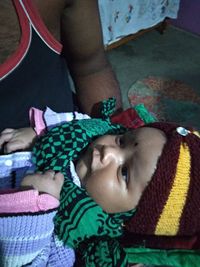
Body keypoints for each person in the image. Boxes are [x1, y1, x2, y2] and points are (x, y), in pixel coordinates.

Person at [0, 103, 200, 266]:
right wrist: (38, 135)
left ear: (126, 218)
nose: (108, 151)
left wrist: (35, 213)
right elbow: (76, 121)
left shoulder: (70, 240)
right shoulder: (85, 134)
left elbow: (24, 261)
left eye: (124, 172)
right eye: (122, 141)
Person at [0, 0, 122, 132]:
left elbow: (92, 69)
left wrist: (112, 133)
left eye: (121, 142)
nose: (107, 152)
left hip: (69, 131)